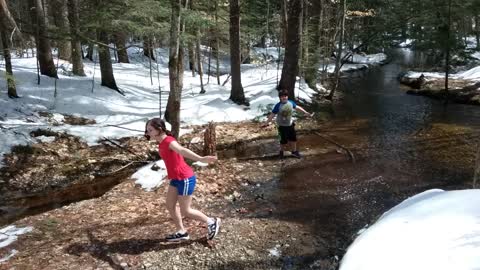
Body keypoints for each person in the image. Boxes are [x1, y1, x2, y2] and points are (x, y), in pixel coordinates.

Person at [144, 118, 220, 241]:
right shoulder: (162, 142)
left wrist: (200, 159)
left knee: (186, 210)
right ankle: (182, 231)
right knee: (170, 205)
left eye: (150, 130)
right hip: (176, 178)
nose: (147, 133)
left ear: (159, 129)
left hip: (184, 178)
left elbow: (182, 150)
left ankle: (212, 222)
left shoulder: (169, 141)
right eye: (147, 130)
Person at [262, 89, 313, 159]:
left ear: (287, 96)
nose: (284, 97)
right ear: (280, 97)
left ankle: (294, 152)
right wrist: (266, 123)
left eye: (285, 96)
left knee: (293, 139)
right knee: (282, 140)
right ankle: (281, 152)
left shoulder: (291, 103)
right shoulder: (278, 105)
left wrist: (305, 112)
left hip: (290, 125)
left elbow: (297, 107)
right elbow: (272, 114)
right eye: (282, 96)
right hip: (281, 126)